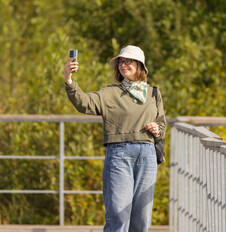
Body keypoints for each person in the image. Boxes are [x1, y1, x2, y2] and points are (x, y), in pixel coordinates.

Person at [64, 45, 166, 232]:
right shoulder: (111, 93)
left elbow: (162, 126)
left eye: (128, 61)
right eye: (120, 61)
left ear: (140, 66)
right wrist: (69, 80)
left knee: (142, 220)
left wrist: (157, 130)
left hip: (148, 155)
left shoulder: (154, 93)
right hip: (120, 155)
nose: (123, 65)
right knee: (119, 216)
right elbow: (84, 103)